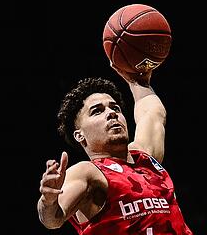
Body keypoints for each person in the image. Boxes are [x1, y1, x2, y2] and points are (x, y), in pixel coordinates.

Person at [37, 68, 194, 235]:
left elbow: (152, 113)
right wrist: (48, 200)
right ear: (79, 135)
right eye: (97, 111)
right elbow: (53, 219)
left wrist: (137, 81)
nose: (112, 113)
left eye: (115, 108)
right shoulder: (87, 172)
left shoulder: (145, 156)